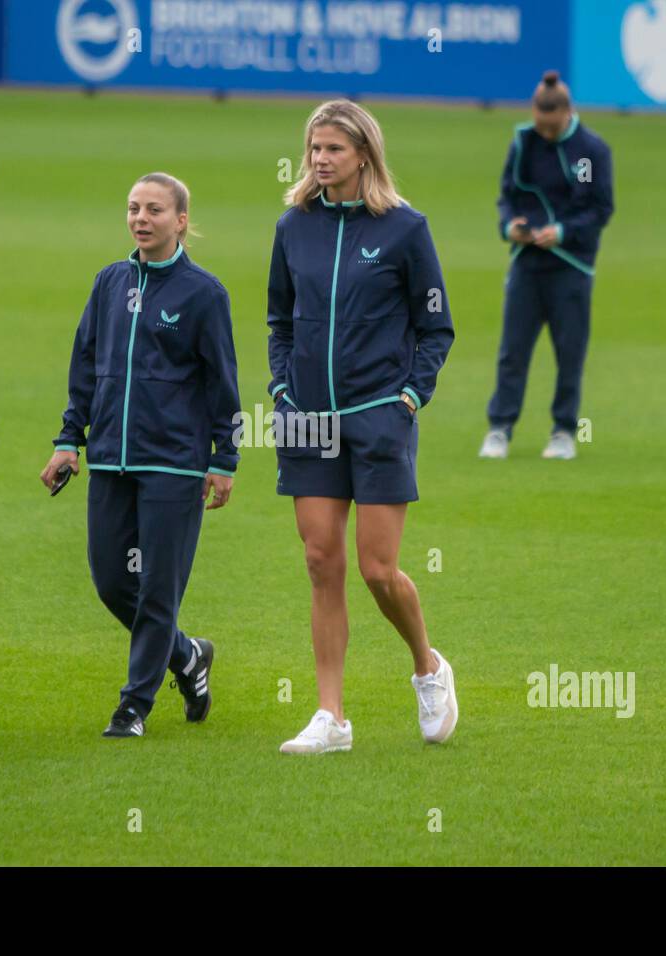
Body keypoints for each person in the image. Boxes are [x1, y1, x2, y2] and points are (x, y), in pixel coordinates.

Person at [267, 100, 457, 755]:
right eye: (314, 148)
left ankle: (428, 667)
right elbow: (280, 322)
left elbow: (436, 326)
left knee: (378, 570)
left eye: (333, 150)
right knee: (322, 562)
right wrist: (282, 390)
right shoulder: (294, 226)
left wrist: (410, 395)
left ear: (364, 156)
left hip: (380, 418)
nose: (321, 159)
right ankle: (331, 719)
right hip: (306, 419)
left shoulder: (405, 229)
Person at [40, 172, 240, 739]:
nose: (140, 218)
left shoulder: (204, 294)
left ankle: (133, 707)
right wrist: (67, 441)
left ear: (180, 221)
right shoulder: (108, 282)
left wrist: (225, 458)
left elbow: (223, 382)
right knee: (110, 580)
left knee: (158, 588)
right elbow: (85, 365)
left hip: (174, 466)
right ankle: (188, 655)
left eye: (154, 209)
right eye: (133, 208)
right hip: (108, 458)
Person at [481, 70, 614, 461]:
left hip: (571, 265)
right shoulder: (523, 142)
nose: (545, 133)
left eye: (551, 127)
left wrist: (562, 231)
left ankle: (563, 431)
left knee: (569, 352)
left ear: (567, 113)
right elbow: (506, 196)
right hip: (527, 263)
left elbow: (601, 208)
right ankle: (499, 428)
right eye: (540, 124)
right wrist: (511, 227)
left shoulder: (592, 151)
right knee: (512, 351)